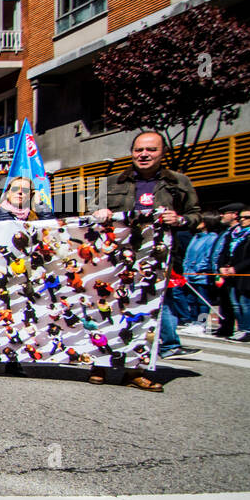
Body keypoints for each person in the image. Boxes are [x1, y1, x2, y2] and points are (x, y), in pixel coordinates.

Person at [91, 130, 201, 387]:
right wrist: (99, 212)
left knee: (144, 313)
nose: (144, 154)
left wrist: (181, 219)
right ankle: (99, 365)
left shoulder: (179, 183)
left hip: (154, 261)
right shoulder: (113, 182)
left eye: (151, 150)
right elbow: (91, 213)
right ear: (132, 152)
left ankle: (135, 372)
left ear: (162, 153)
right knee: (105, 310)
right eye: (139, 149)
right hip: (115, 261)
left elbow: (196, 215)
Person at [217, 206, 250, 341]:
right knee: (235, 303)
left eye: (247, 217)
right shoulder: (233, 233)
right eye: (241, 217)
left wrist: (237, 268)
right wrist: (221, 266)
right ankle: (240, 329)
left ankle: (248, 330)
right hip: (231, 274)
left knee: (246, 302)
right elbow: (224, 252)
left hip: (247, 274)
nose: (243, 220)